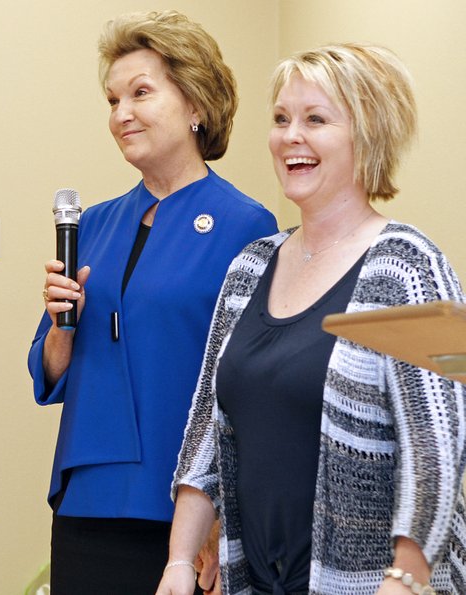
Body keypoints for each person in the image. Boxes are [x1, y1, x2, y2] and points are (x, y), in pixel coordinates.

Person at [156, 44, 466, 595]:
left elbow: (436, 450)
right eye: (280, 119)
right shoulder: (250, 266)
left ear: (367, 135)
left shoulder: (408, 267)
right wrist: (179, 560)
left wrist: (405, 581)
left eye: (315, 119)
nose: (289, 136)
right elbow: (206, 425)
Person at [28, 10, 277, 594]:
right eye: (113, 100)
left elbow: (246, 385)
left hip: (181, 504)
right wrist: (63, 326)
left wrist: (217, 516)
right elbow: (50, 371)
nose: (121, 115)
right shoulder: (91, 225)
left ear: (195, 104)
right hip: (87, 495)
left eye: (141, 93)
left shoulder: (247, 224)